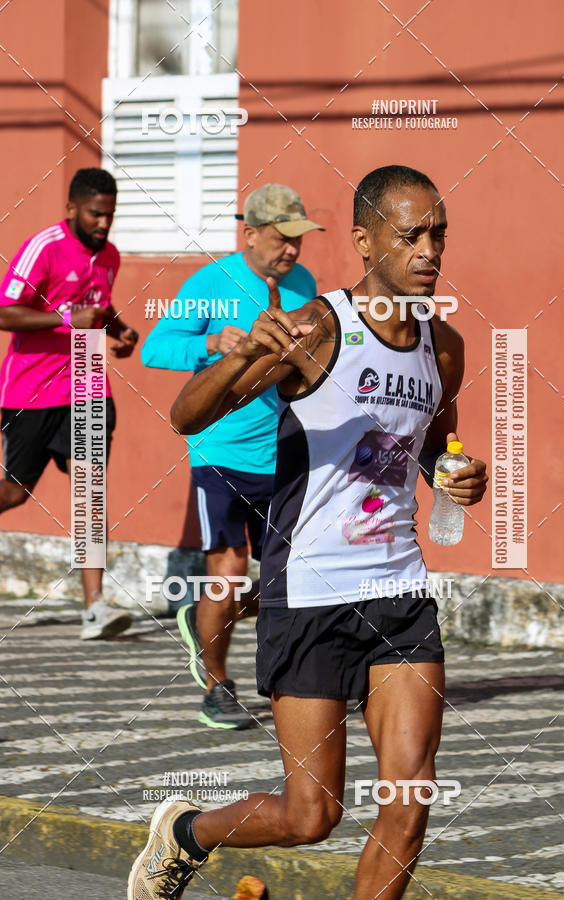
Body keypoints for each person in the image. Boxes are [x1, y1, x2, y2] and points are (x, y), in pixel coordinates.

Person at [128, 165, 488, 899]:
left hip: (400, 591)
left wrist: (458, 475)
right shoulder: (316, 328)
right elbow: (186, 416)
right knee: (311, 813)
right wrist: (242, 353)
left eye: (438, 235)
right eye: (410, 234)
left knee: (410, 796)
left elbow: (435, 444)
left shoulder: (443, 346)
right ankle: (186, 831)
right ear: (364, 241)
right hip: (310, 590)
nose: (430, 251)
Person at [141, 184, 324, 730]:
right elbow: (155, 347)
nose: (292, 250)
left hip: (284, 451)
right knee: (227, 573)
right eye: (281, 239)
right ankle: (217, 685)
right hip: (220, 449)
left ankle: (204, 624)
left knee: (285, 581)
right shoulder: (209, 285)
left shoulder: (305, 284)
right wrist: (212, 345)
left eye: (298, 240)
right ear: (249, 235)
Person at [0, 168, 139, 641]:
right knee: (15, 493)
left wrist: (120, 331)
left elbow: (99, 306)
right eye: (95, 214)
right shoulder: (45, 247)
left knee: (89, 495)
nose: (103, 223)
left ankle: (94, 608)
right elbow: (5, 311)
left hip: (87, 386)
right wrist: (65, 318)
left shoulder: (111, 256)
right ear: (71, 209)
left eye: (110, 215)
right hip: (30, 393)